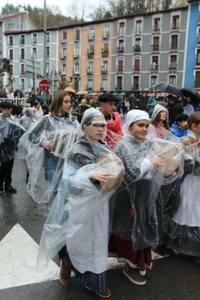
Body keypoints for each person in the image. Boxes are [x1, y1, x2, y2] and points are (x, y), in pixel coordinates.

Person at [37, 108, 124, 298]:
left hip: (100, 207)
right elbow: (68, 181)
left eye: (103, 125)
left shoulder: (105, 147)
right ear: (84, 128)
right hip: (80, 207)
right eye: (96, 125)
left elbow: (115, 172)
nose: (101, 129)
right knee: (79, 242)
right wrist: (89, 175)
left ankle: (94, 282)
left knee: (97, 244)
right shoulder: (76, 150)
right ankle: (67, 265)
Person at [108, 109, 167, 285]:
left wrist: (163, 167)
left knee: (143, 228)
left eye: (146, 126)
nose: (144, 129)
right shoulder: (124, 145)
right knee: (132, 232)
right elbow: (129, 173)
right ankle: (131, 264)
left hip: (144, 197)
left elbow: (150, 170)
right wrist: (150, 163)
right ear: (130, 126)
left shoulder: (147, 143)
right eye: (140, 125)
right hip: (128, 200)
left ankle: (140, 263)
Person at [165, 112, 200, 263]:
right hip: (190, 181)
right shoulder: (185, 142)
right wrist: (195, 162)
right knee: (188, 211)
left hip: (196, 181)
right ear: (194, 126)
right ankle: (184, 245)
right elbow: (176, 163)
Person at [0, 101, 25, 194]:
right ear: (1, 109)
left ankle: (8, 185)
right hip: (2, 145)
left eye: (8, 109)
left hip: (11, 144)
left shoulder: (13, 119)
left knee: (10, 165)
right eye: (4, 109)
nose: (6, 111)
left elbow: (17, 130)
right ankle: (1, 184)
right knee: (4, 165)